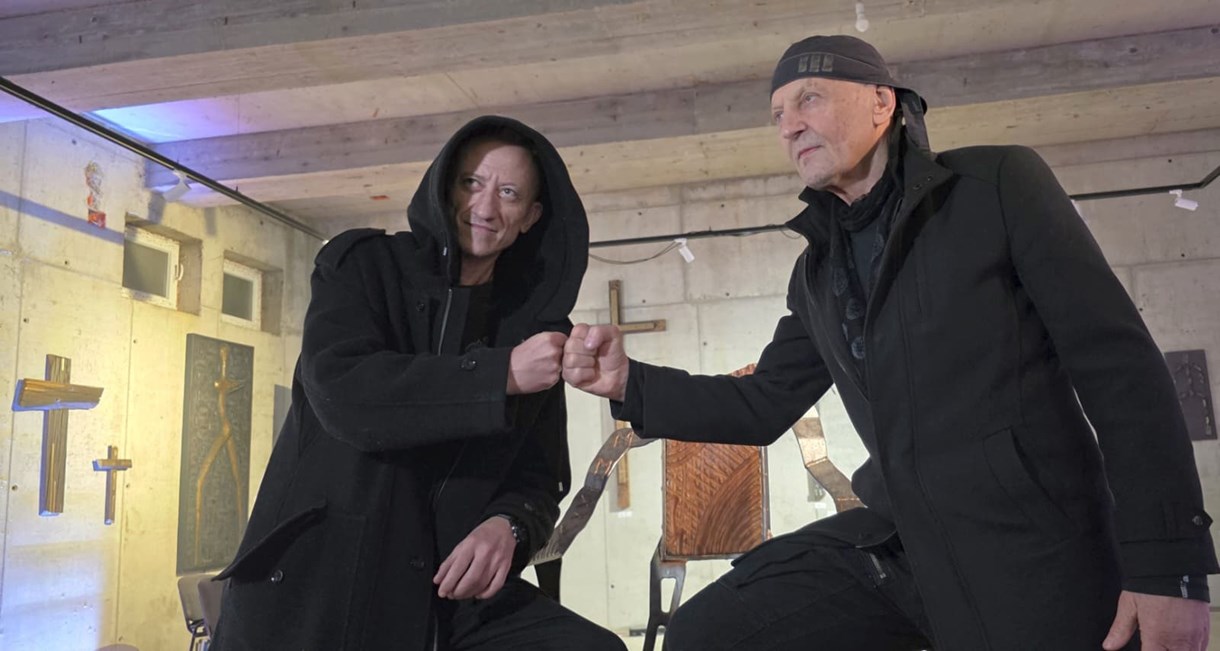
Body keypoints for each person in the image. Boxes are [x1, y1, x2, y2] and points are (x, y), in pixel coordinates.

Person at [562, 35, 1217, 651]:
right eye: (778, 115)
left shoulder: (994, 187)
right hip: (903, 538)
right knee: (711, 631)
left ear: (882, 101)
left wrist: (1170, 567)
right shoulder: (818, 272)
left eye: (809, 99)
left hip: (1032, 543)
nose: (789, 126)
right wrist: (629, 383)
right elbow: (762, 403)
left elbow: (1119, 368)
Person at [210, 115, 626, 651]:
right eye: (471, 183)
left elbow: (539, 479)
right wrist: (500, 375)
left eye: (508, 193)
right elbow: (344, 395)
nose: (484, 207)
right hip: (322, 583)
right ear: (445, 185)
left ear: (531, 216)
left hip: (443, 594)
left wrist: (509, 526)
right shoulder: (363, 267)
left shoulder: (534, 331)